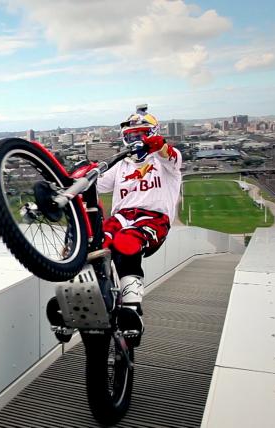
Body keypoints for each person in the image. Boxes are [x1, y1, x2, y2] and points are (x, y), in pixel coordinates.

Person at [97, 104, 182, 344]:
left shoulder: (165, 164)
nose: (135, 139)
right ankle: (81, 297)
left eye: (140, 134)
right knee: (94, 240)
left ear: (152, 133)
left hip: (153, 220)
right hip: (120, 218)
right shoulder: (121, 166)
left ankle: (132, 308)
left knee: (127, 242)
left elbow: (170, 155)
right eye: (130, 135)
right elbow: (97, 185)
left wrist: (158, 146)